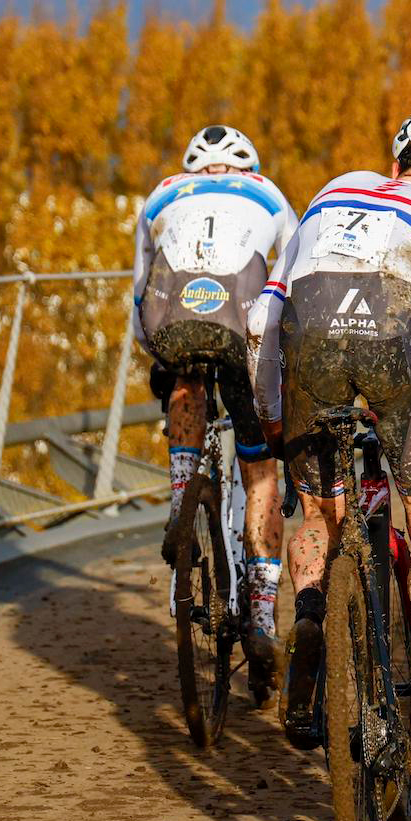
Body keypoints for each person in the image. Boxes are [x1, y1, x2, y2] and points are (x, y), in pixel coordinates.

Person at [249, 105, 411, 776]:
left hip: (311, 330)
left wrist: (271, 411)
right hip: (394, 330)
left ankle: (306, 620)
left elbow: (262, 317)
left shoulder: (335, 188)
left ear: (396, 165)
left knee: (318, 516)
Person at [134, 124, 298, 694]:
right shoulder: (270, 193)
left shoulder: (160, 194)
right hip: (242, 323)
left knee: (184, 375)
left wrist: (152, 350)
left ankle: (182, 498)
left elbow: (139, 291)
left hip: (172, 320)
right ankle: (258, 616)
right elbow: (291, 278)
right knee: (259, 475)